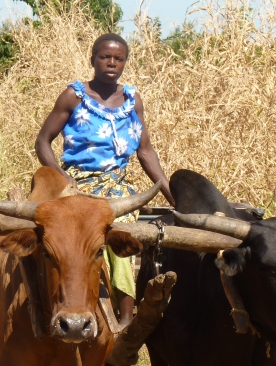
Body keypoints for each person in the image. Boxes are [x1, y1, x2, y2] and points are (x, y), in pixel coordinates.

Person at [35, 33, 175, 327]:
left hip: (118, 188)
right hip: (77, 186)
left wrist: (169, 193)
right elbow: (43, 141)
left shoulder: (132, 100)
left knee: (121, 237)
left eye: (118, 59)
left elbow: (145, 151)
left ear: (125, 63)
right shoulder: (74, 96)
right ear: (93, 59)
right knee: (74, 242)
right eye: (105, 57)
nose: (112, 63)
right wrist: (62, 178)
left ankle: (125, 320)